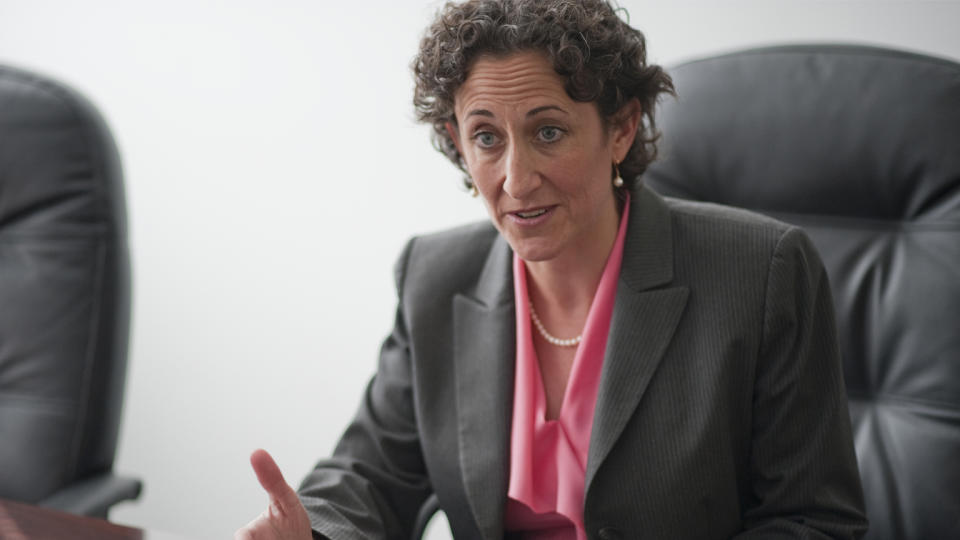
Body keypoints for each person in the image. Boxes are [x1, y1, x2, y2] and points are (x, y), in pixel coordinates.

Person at [235, 1, 868, 538]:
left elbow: (813, 521)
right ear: (458, 141)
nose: (515, 179)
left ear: (620, 130)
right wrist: (313, 531)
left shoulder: (761, 273)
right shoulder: (433, 276)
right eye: (487, 137)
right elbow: (369, 477)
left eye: (548, 133)